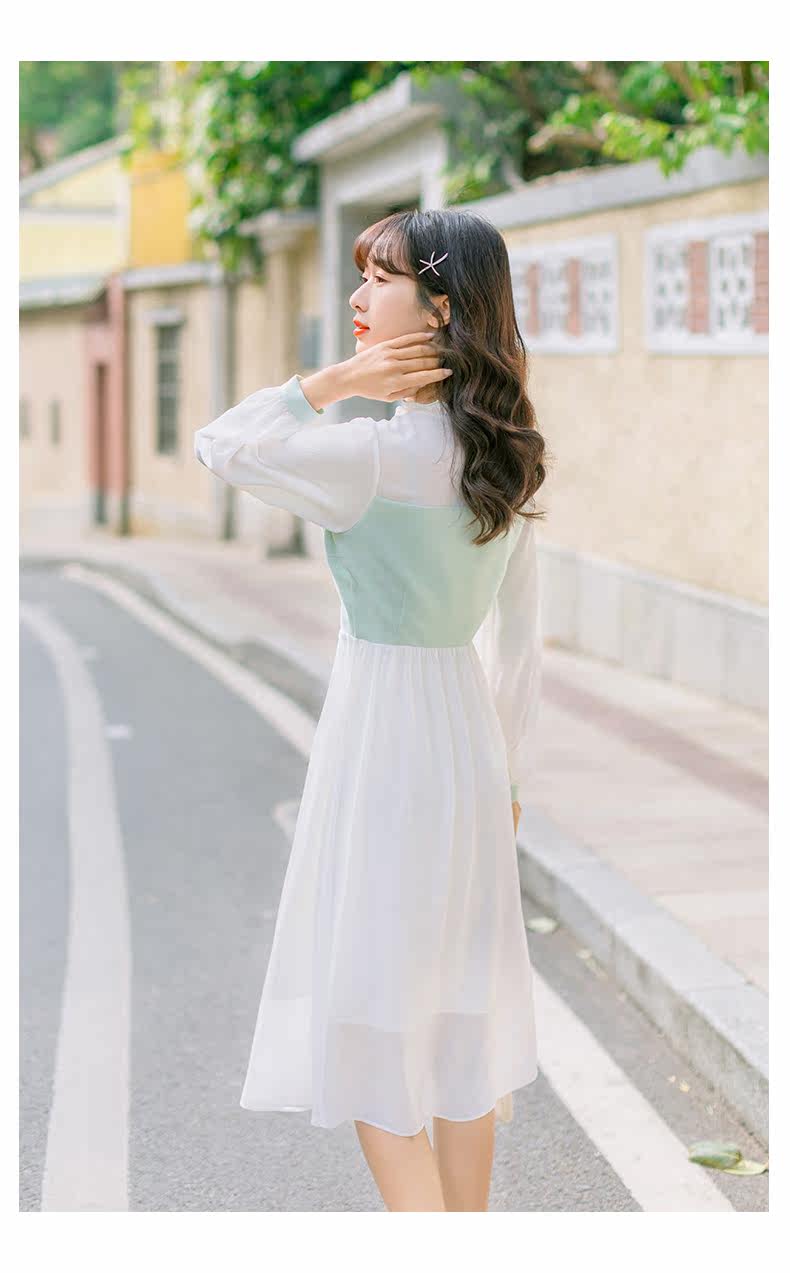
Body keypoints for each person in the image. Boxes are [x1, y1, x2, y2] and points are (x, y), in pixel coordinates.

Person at [193, 207, 548, 1212]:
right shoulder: (509, 457)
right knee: (459, 1013)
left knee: (368, 1013)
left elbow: (221, 444)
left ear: (439, 309)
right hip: (469, 749)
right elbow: (522, 646)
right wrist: (509, 777)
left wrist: (330, 383)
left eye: (381, 279)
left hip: (383, 744)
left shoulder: (369, 458)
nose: (357, 297)